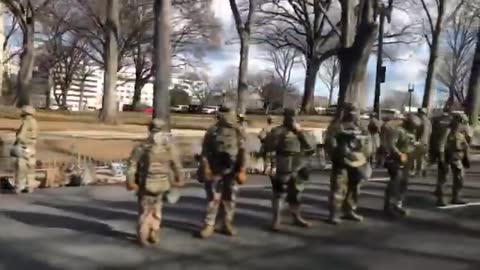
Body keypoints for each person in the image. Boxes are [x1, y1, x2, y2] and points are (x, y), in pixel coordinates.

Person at [126, 119, 185, 246]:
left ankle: (151, 231)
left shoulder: (143, 147)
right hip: (157, 184)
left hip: (152, 184)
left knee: (149, 210)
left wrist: (130, 180)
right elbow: (176, 165)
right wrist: (180, 177)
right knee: (151, 210)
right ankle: (145, 233)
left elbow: (132, 165)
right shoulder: (161, 148)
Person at [197, 103, 247, 239]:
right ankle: (209, 224)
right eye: (223, 112)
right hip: (215, 169)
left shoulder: (239, 131)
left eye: (228, 112)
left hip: (232, 170)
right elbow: (205, 153)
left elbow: (243, 151)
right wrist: (205, 167)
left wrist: (242, 169)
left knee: (230, 198)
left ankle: (226, 223)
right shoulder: (212, 131)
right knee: (213, 198)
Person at [264, 108, 315, 231]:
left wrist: (299, 131)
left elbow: (311, 147)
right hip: (283, 164)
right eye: (289, 116)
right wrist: (269, 166)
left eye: (294, 116)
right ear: (285, 117)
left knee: (296, 193)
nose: (292, 119)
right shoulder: (277, 131)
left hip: (299, 165)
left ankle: (296, 217)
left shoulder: (303, 132)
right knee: (279, 194)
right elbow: (268, 147)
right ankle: (276, 220)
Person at [326, 103, 371, 224]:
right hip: (341, 161)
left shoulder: (361, 126)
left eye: (355, 111)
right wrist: (339, 154)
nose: (353, 114)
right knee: (338, 188)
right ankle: (334, 213)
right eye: (350, 111)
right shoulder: (336, 126)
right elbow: (330, 143)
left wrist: (364, 155)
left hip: (357, 162)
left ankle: (349, 210)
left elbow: (368, 142)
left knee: (354, 188)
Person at [383, 114, 421, 217]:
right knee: (395, 182)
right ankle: (388, 206)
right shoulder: (398, 131)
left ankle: (398, 205)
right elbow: (391, 145)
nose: (414, 128)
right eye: (413, 126)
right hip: (396, 160)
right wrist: (399, 154)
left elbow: (411, 144)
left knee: (404, 183)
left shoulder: (412, 133)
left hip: (408, 160)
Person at [435, 113, 471, 206]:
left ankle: (456, 197)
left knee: (460, 177)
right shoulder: (447, 130)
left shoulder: (462, 132)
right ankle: (440, 198)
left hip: (457, 157)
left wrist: (466, 157)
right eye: (461, 122)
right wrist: (441, 158)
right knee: (443, 178)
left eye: (464, 122)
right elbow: (441, 144)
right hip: (447, 156)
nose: (462, 124)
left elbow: (465, 145)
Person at [430, 105, 454, 206]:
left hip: (436, 149)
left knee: (441, 174)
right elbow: (444, 140)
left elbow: (432, 135)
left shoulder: (435, 120)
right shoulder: (451, 122)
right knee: (444, 176)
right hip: (445, 150)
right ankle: (440, 198)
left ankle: (438, 191)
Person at [12, 105, 38, 194]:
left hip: (24, 146)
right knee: (30, 166)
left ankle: (18, 186)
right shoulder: (35, 122)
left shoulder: (26, 122)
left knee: (21, 166)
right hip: (32, 147)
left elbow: (20, 136)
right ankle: (30, 186)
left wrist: (16, 143)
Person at [414, 107, 432, 177]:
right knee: (424, 157)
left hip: (420, 141)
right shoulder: (428, 121)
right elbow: (430, 132)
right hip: (426, 141)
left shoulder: (420, 120)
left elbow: (422, 131)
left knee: (419, 157)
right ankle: (424, 170)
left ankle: (419, 172)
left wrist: (418, 140)